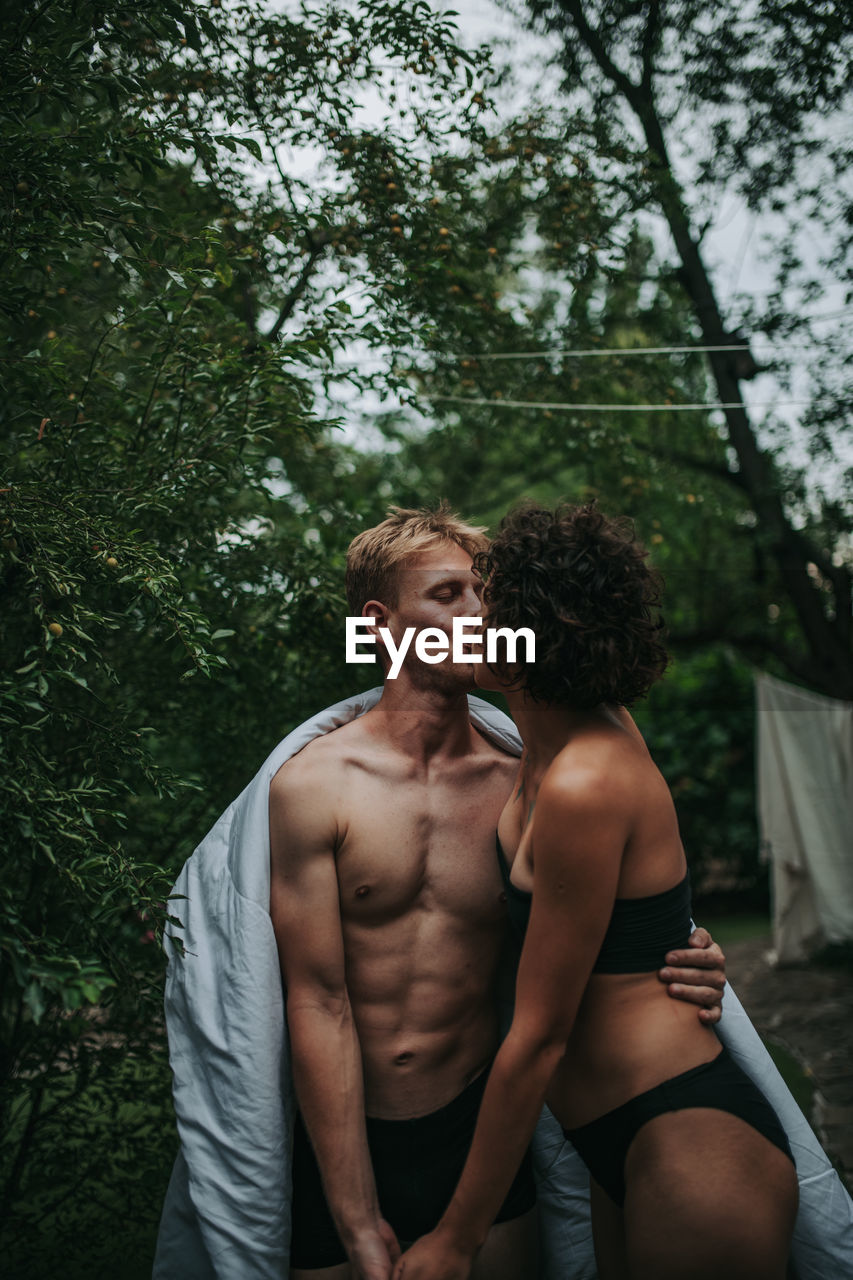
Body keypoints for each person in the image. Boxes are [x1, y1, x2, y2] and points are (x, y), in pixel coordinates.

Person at [268, 505, 728, 1280]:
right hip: (345, 1145)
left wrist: (682, 952)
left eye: (485, 595)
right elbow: (318, 1000)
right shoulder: (314, 787)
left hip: (477, 1133)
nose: (480, 615)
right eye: (447, 595)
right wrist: (352, 1214)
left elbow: (611, 917)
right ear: (380, 625)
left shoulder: (528, 782)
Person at [391, 502, 800, 1280]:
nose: (471, 619)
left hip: (687, 1137)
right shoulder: (555, 745)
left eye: (488, 606)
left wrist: (456, 1238)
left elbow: (541, 1036)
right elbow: (644, 910)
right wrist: (684, 941)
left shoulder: (582, 780)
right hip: (625, 1140)